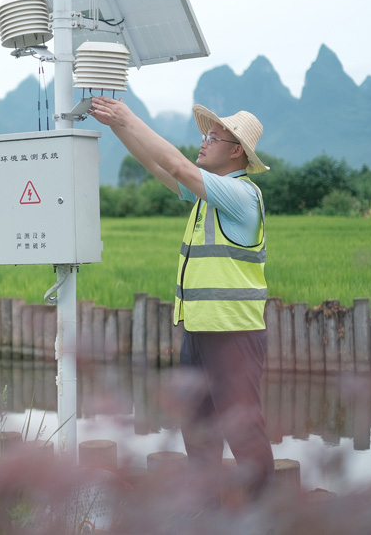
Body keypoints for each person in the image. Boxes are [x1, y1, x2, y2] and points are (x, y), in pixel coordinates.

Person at [89, 96, 275, 502]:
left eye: (213, 137)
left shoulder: (242, 196)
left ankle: (267, 518)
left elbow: (176, 164)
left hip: (232, 334)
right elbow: (156, 164)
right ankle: (208, 514)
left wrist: (128, 115)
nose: (203, 142)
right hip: (199, 330)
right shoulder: (205, 197)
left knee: (242, 430)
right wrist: (116, 124)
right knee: (198, 427)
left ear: (237, 150)